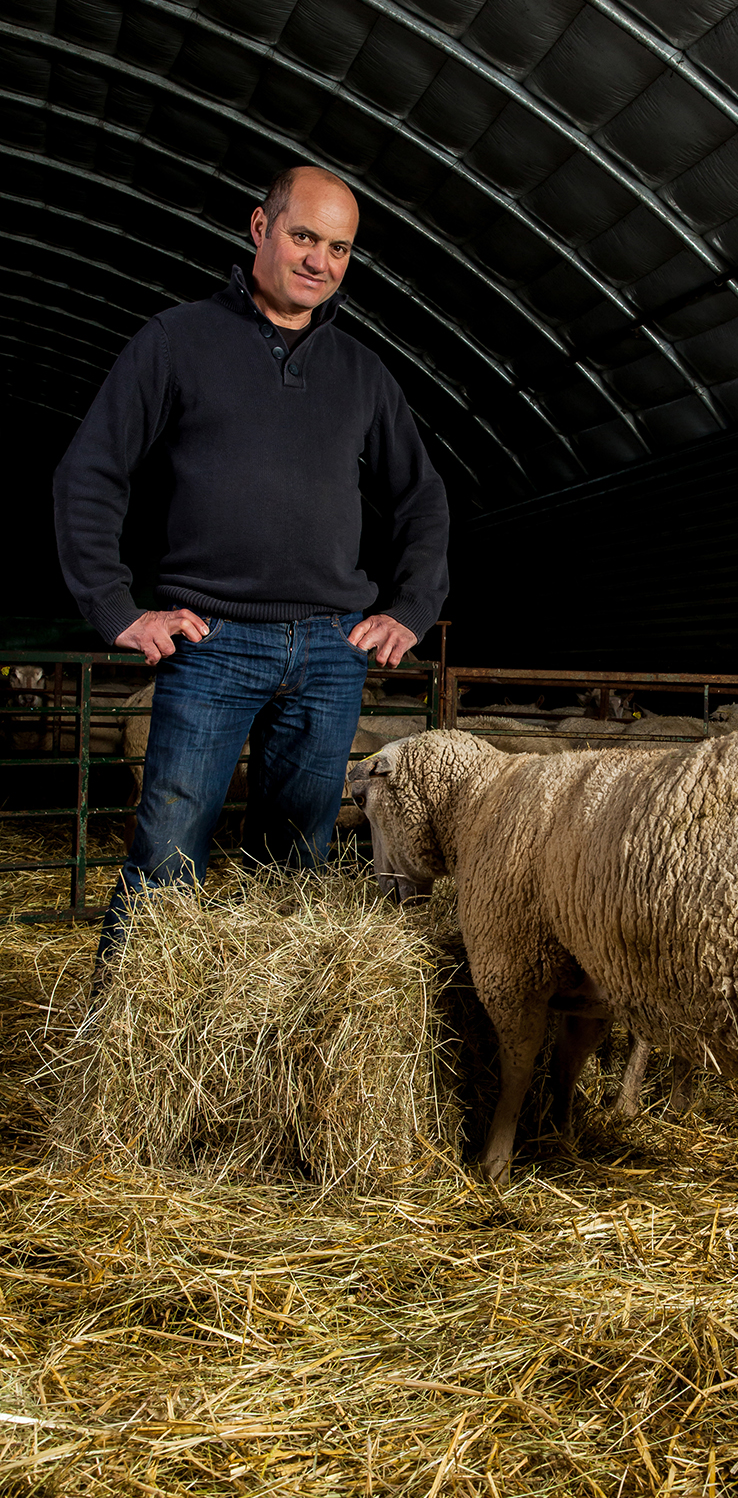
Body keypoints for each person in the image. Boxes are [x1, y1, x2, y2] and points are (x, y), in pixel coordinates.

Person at [54, 165, 450, 989]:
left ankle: (264, 1077)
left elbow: (421, 496)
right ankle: (117, 1065)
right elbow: (91, 471)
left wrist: (410, 608)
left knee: (295, 868)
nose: (320, 261)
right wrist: (119, 608)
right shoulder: (176, 341)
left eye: (339, 247)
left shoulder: (362, 372)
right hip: (213, 641)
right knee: (166, 856)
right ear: (259, 228)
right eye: (304, 236)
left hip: (330, 653)